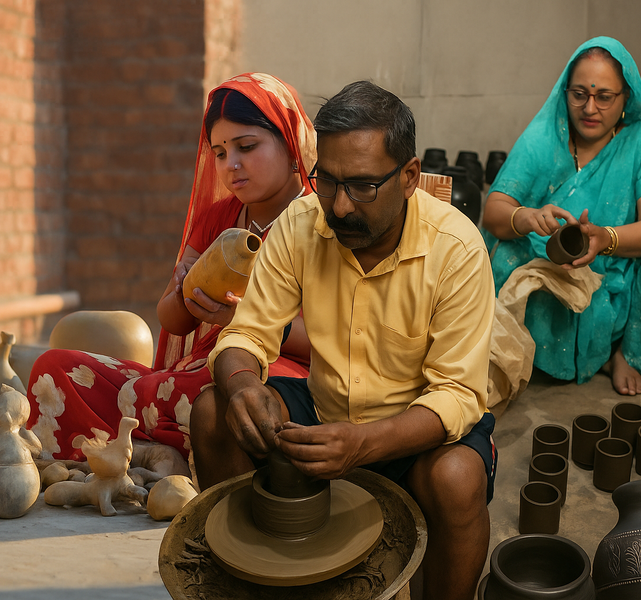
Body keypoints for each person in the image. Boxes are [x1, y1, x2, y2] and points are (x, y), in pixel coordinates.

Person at [191, 81, 496, 600]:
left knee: (457, 478)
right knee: (213, 412)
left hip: (414, 431)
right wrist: (242, 384)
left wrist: (363, 445)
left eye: (361, 186)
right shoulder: (302, 224)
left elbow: (458, 394)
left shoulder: (456, 247)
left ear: (409, 177)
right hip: (326, 412)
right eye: (327, 181)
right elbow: (247, 332)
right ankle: (252, 580)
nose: (340, 206)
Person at [26, 73, 316, 465]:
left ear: (290, 140)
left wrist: (242, 319)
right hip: (183, 375)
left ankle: (131, 454)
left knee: (212, 389)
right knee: (55, 369)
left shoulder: (319, 222)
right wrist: (184, 289)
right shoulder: (219, 216)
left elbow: (334, 342)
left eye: (247, 146)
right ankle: (156, 455)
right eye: (219, 152)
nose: (231, 165)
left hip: (269, 373)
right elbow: (172, 320)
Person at [481, 36, 641, 396]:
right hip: (553, 269)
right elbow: (494, 211)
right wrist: (527, 217)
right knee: (500, 254)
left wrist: (606, 239)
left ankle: (627, 351)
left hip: (620, 275)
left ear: (626, 97)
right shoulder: (545, 136)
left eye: (604, 97)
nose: (590, 108)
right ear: (565, 92)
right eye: (579, 94)